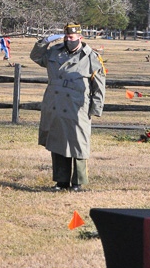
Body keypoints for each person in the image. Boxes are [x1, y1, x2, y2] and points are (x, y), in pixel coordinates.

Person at [30, 23, 106, 191]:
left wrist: (95, 108)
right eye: (66, 37)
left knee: (78, 144)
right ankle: (61, 181)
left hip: (77, 106)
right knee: (58, 142)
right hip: (55, 104)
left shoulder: (91, 57)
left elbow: (99, 85)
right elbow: (35, 57)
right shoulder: (55, 52)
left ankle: (78, 182)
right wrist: (44, 42)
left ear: (80, 37)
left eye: (71, 37)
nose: (68, 40)